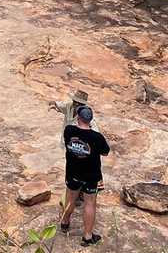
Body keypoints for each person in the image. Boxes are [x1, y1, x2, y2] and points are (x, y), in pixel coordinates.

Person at [60, 106, 110, 247]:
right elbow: (105, 152)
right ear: (91, 120)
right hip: (91, 176)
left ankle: (64, 223)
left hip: (72, 173)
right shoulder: (97, 137)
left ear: (78, 117)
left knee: (70, 199)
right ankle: (87, 237)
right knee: (90, 203)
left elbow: (68, 144)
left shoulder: (69, 130)